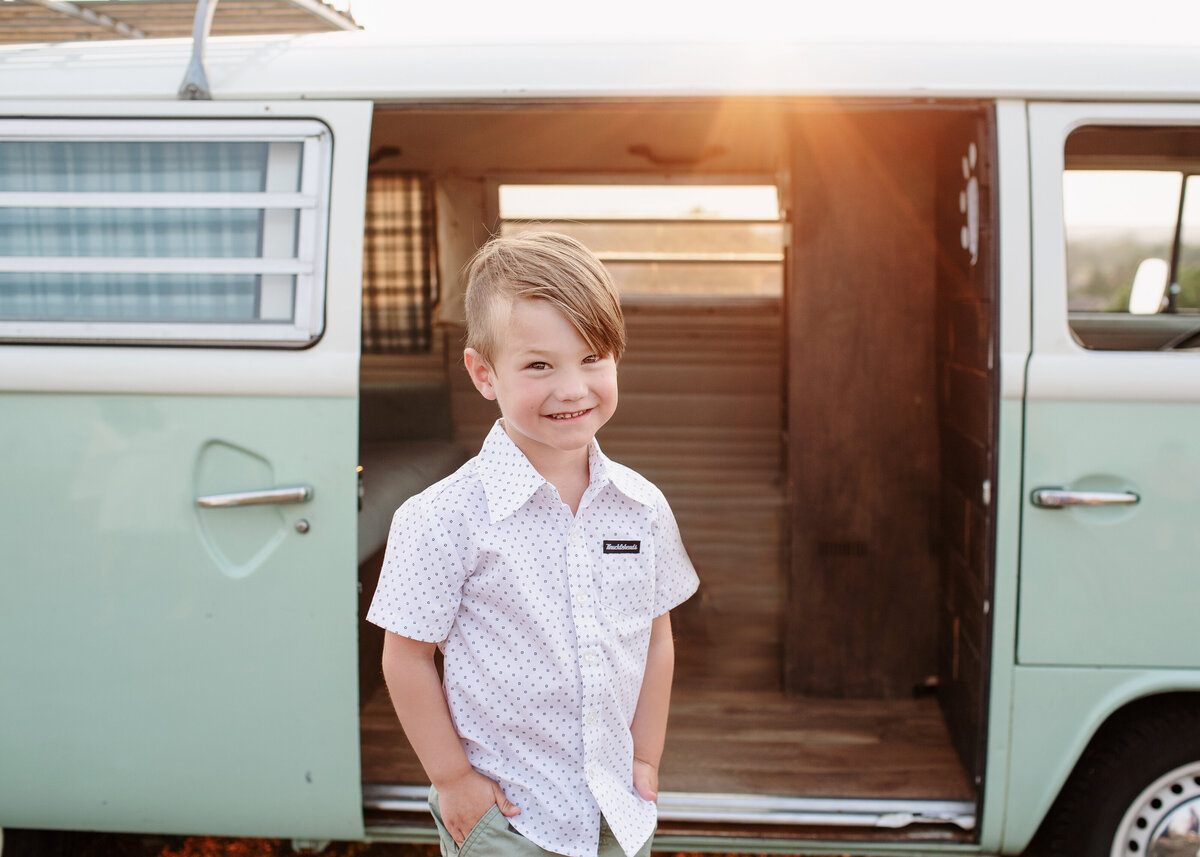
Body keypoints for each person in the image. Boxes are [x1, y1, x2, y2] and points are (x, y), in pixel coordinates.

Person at [366, 231, 699, 857]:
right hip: (508, 816)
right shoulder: (440, 518)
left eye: (593, 358)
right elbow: (405, 660)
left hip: (618, 811)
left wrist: (647, 759)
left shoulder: (642, 506)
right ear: (483, 373)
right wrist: (453, 780)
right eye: (540, 365)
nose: (572, 388)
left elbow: (656, 638)